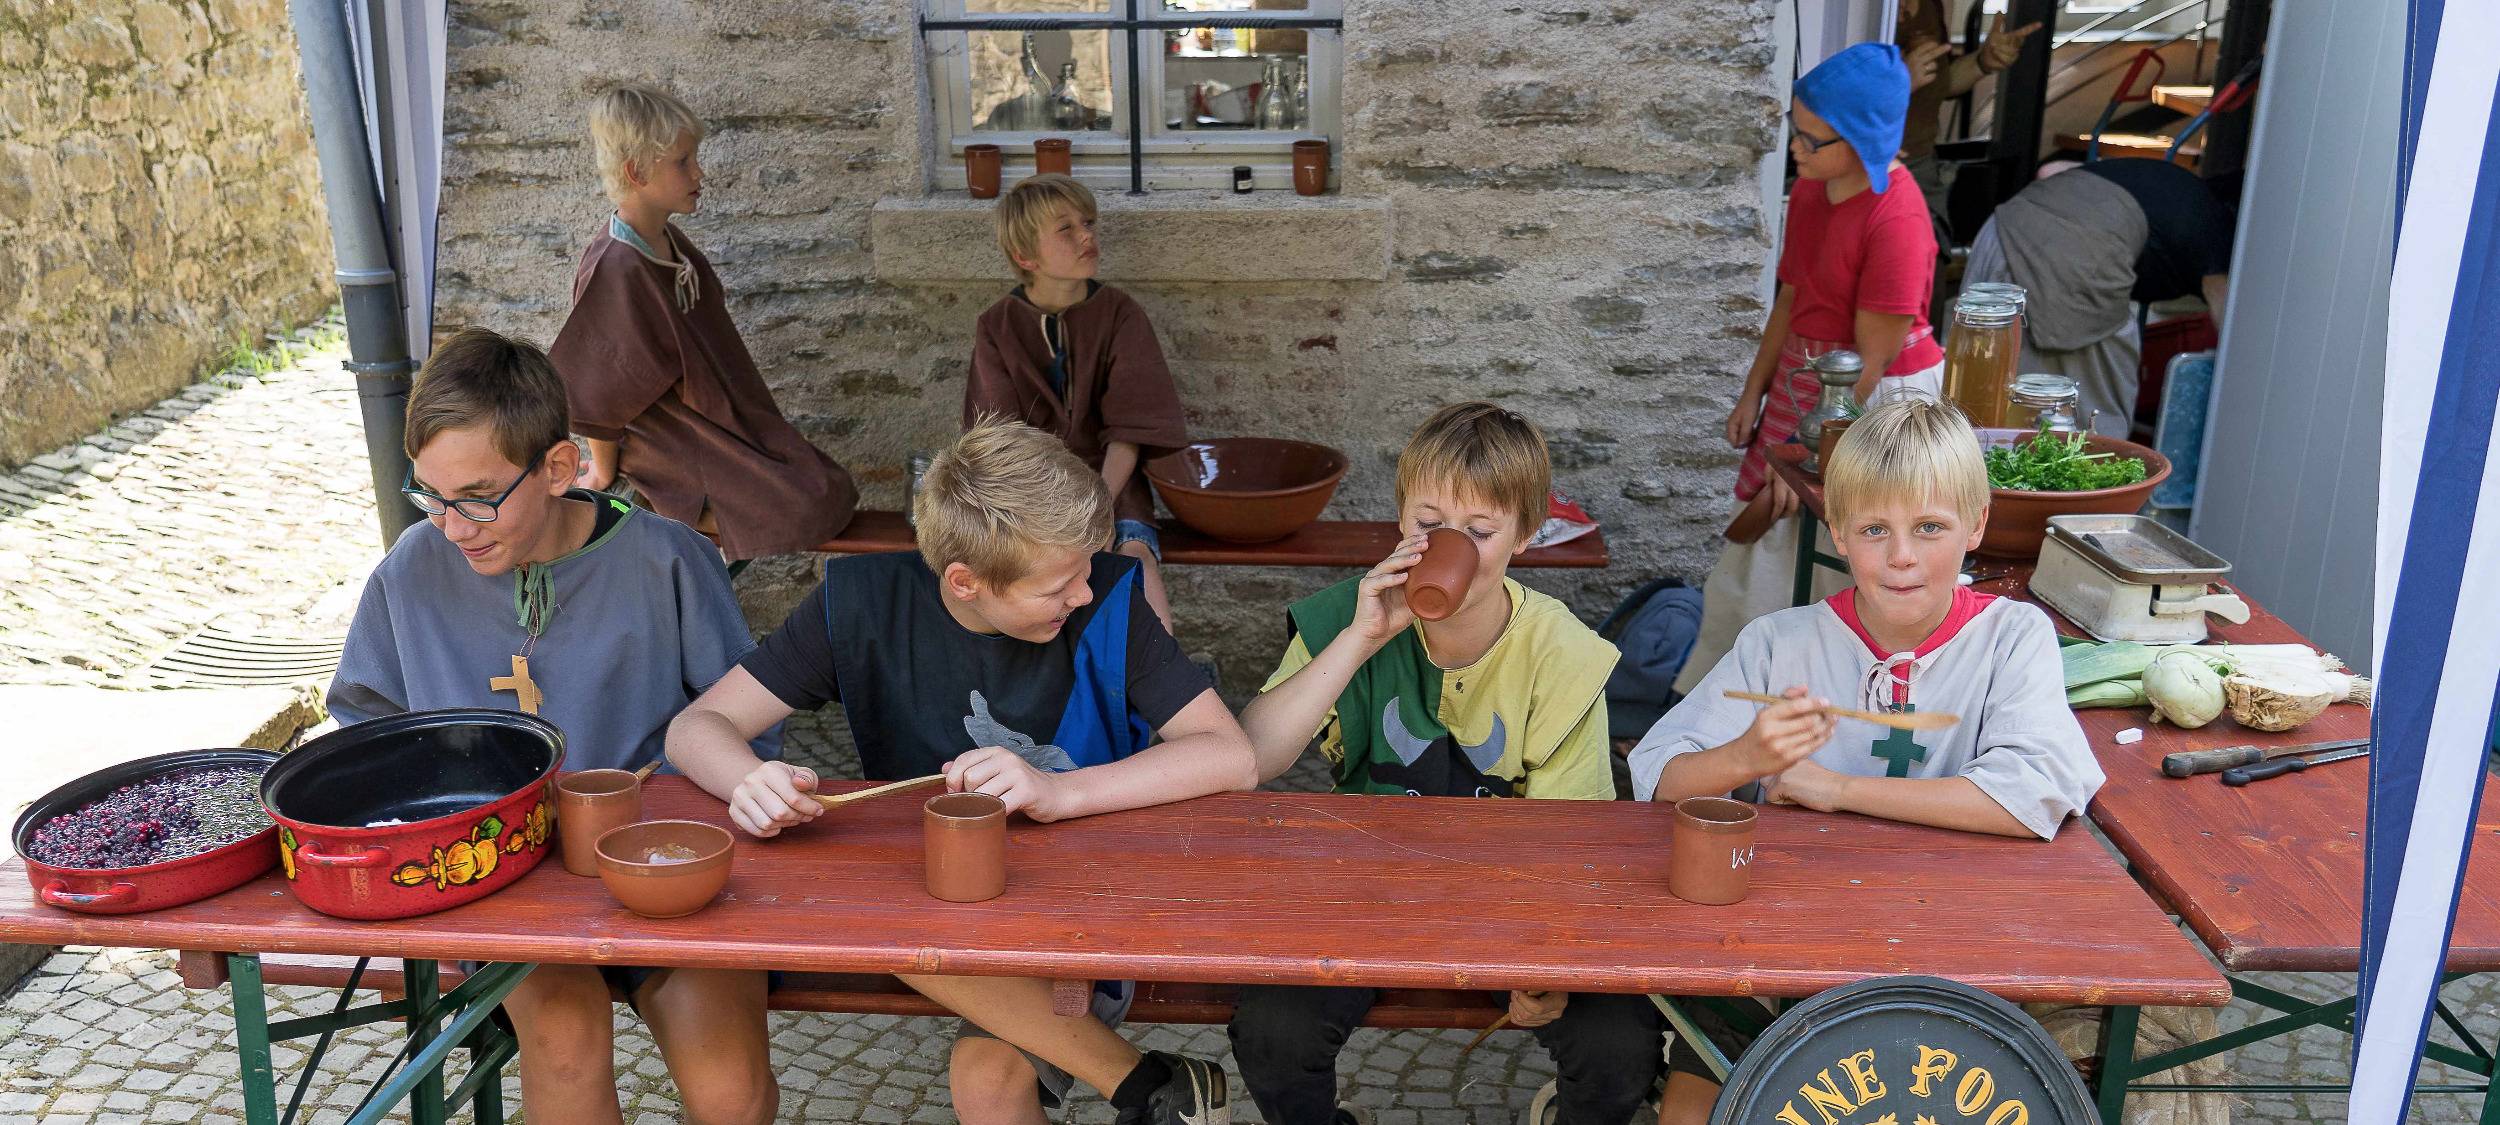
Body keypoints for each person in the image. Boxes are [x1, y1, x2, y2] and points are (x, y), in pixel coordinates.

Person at [664, 420, 1256, 1125]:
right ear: (965, 581)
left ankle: (1155, 1088)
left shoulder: (1109, 596)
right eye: (1058, 585)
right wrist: (745, 781)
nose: (1083, 593)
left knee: (981, 1070)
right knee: (882, 918)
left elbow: (1230, 753)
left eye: (1086, 570)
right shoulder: (860, 604)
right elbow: (696, 727)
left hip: (1080, 898)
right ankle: (1151, 1086)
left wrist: (1063, 791)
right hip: (932, 907)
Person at [328, 326, 782, 1125]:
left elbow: (749, 732)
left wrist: (670, 816)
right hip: (495, 888)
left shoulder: (668, 561)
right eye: (429, 495)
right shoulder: (412, 569)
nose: (453, 525)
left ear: (559, 467)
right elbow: (366, 729)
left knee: (730, 1088)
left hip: (661, 875)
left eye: (477, 496)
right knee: (566, 1035)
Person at [1627, 397, 2105, 1125]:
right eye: (1875, 529)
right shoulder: (1781, 642)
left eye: (1930, 528)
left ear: (1976, 523)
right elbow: (1657, 777)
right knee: (1696, 1096)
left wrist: (1838, 787)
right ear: (1839, 533)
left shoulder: (2012, 636)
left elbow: (2034, 793)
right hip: (1785, 943)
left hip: (1956, 946)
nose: (1903, 556)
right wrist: (1746, 753)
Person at [1227, 402, 1660, 1125]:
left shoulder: (1559, 652)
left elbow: (1572, 841)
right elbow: (1254, 755)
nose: (1445, 545)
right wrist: (1360, 639)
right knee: (1273, 1029)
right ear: (1401, 520)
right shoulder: (1349, 616)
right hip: (1364, 892)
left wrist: (1542, 959)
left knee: (1619, 1040)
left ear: (1524, 535)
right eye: (1428, 524)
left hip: (1510, 899)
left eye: (1480, 531)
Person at [1677, 42, 1944, 702]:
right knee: (1759, 557)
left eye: (1810, 136)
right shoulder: (1815, 193)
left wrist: (1800, 451)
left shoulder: (1897, 218)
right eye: (1793, 127)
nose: (1793, 145)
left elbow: (1871, 361)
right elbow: (1791, 300)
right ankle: (1723, 711)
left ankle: (1813, 718)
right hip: (1810, 388)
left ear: (1859, 141)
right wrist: (1754, 395)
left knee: (1835, 566)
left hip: (1874, 407)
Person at [548, 84, 859, 561]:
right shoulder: (617, 266)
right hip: (671, 441)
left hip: (714, 420)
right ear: (636, 171)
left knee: (827, 485)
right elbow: (600, 392)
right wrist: (604, 473)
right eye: (682, 161)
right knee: (806, 504)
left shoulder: (667, 241)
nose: (698, 172)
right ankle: (688, 514)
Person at [966, 173, 1190, 630]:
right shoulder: (997, 326)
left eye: (1087, 222)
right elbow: (998, 439)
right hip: (1030, 494)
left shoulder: (1121, 314)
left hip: (1113, 489)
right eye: (1065, 229)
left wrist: (1097, 509)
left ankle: (1161, 690)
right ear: (1025, 255)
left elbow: (1131, 430)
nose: (1087, 235)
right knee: (1025, 577)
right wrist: (1048, 517)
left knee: (1133, 561)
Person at [1961, 157, 2239, 436]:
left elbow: (2049, 170)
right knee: (2086, 432)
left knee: (1980, 399)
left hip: (1998, 233)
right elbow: (2230, 321)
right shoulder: (2218, 230)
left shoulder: (2167, 184)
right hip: (2064, 267)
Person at [1897, 0, 2042, 234]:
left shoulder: (1929, 6)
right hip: (1867, 168)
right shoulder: (1860, 12)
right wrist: (1896, 81)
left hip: (1921, 167)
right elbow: (1827, 98)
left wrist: (1982, 62)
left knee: (1927, 264)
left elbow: (1939, 83)